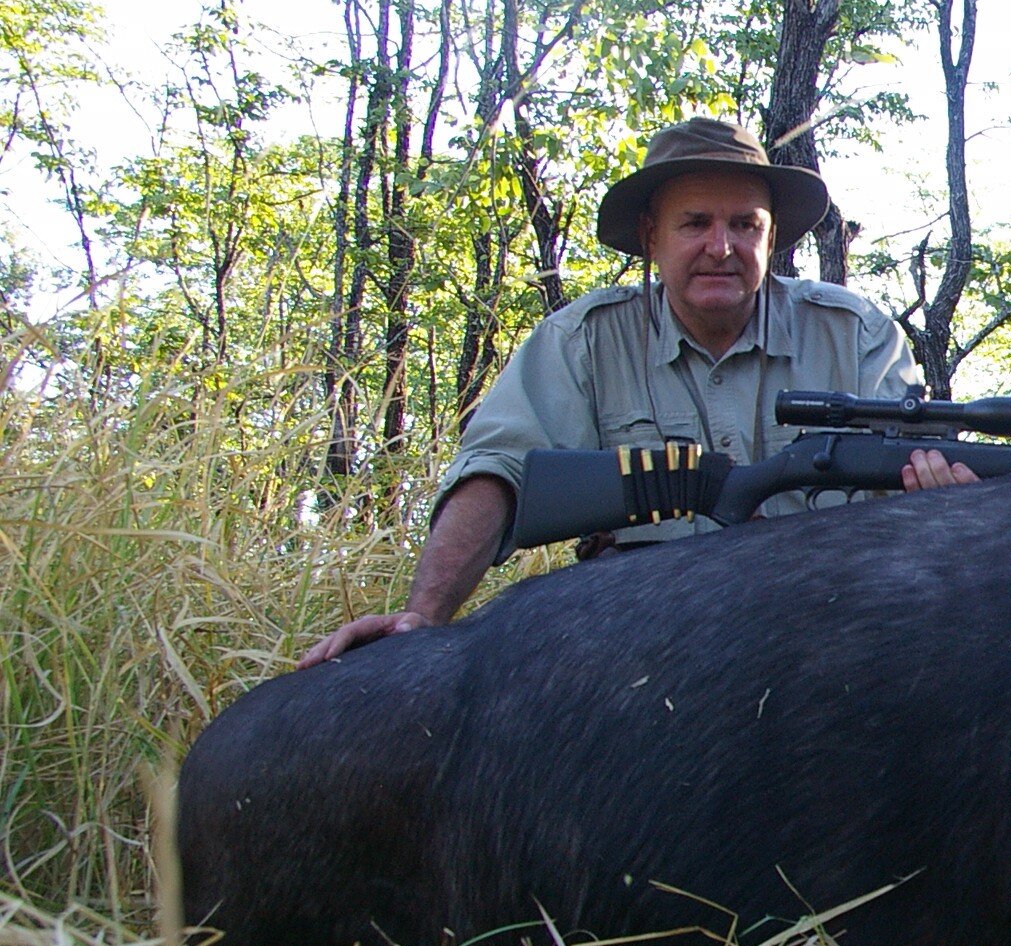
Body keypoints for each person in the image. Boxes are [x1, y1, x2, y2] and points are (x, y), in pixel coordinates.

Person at [300, 117, 972, 667]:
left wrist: (949, 508)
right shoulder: (584, 340)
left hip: (820, 640)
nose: (722, 246)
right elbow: (499, 472)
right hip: (638, 646)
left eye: (745, 226)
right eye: (695, 223)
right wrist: (424, 615)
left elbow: (914, 494)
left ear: (772, 239)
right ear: (651, 236)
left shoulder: (854, 334)